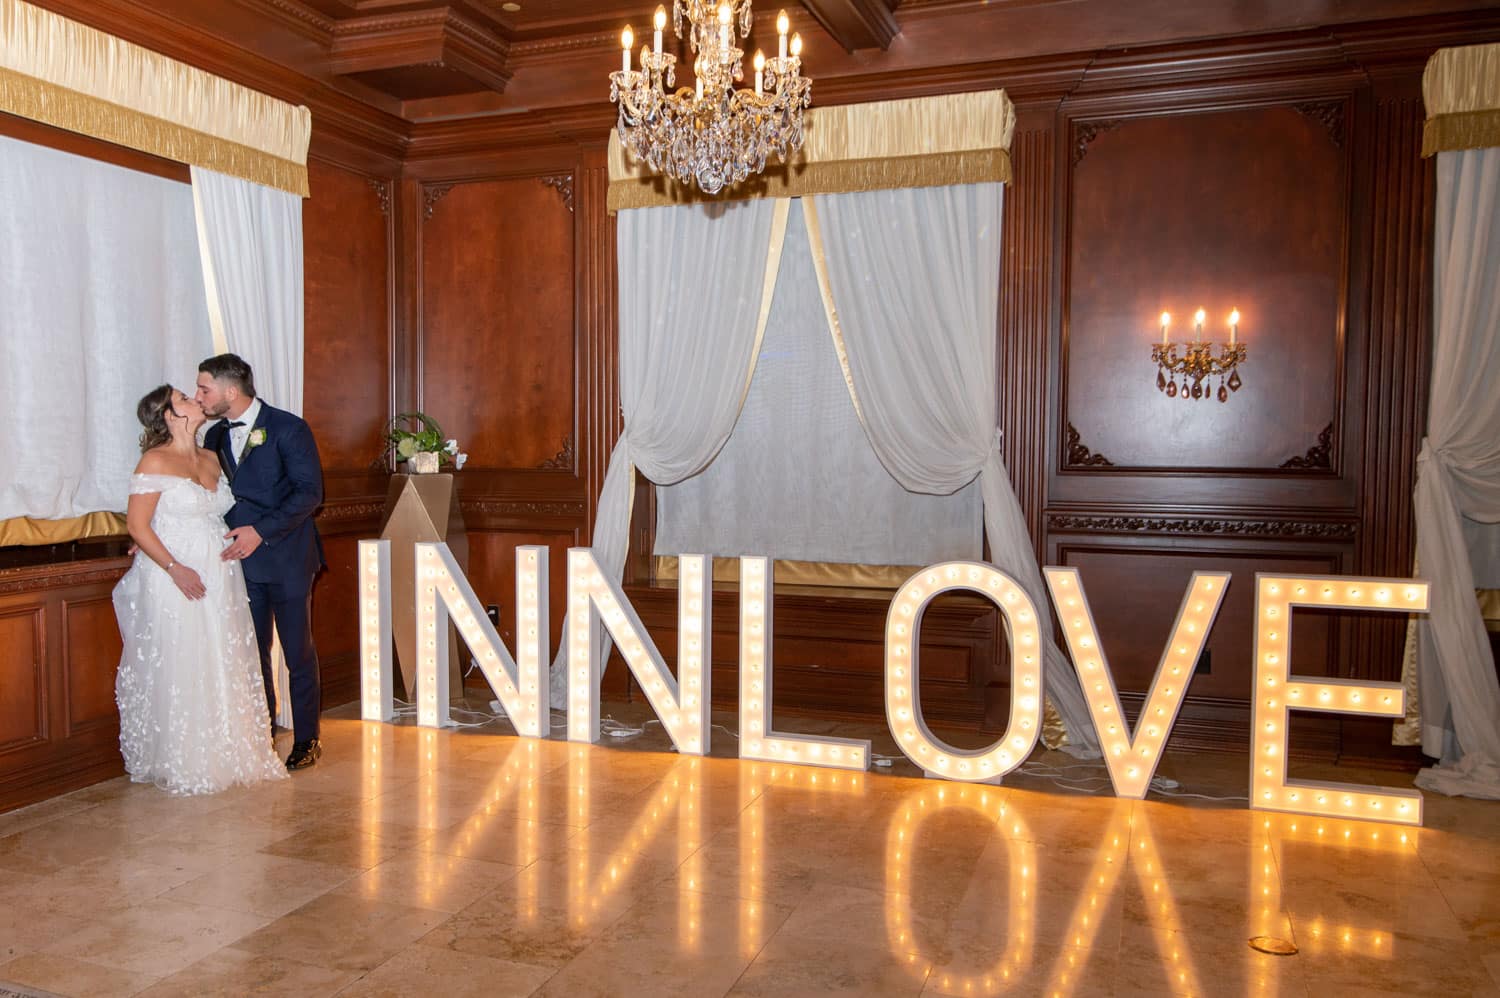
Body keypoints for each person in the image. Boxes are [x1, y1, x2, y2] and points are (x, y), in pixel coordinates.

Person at [113, 386, 289, 795]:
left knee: (221, 654)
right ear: (170, 415)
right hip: (174, 575)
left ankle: (228, 750)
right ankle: (187, 758)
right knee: (185, 656)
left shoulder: (211, 456)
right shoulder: (155, 460)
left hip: (220, 570)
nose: (195, 400)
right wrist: (173, 567)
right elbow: (137, 524)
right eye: (183, 398)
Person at [196, 354, 327, 771]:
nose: (199, 397)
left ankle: (306, 739)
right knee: (253, 653)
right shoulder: (214, 436)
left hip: (288, 556)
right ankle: (262, 734)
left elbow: (310, 494)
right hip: (239, 564)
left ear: (231, 391)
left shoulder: (288, 428)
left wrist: (260, 531)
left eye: (204, 389)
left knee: (297, 651)